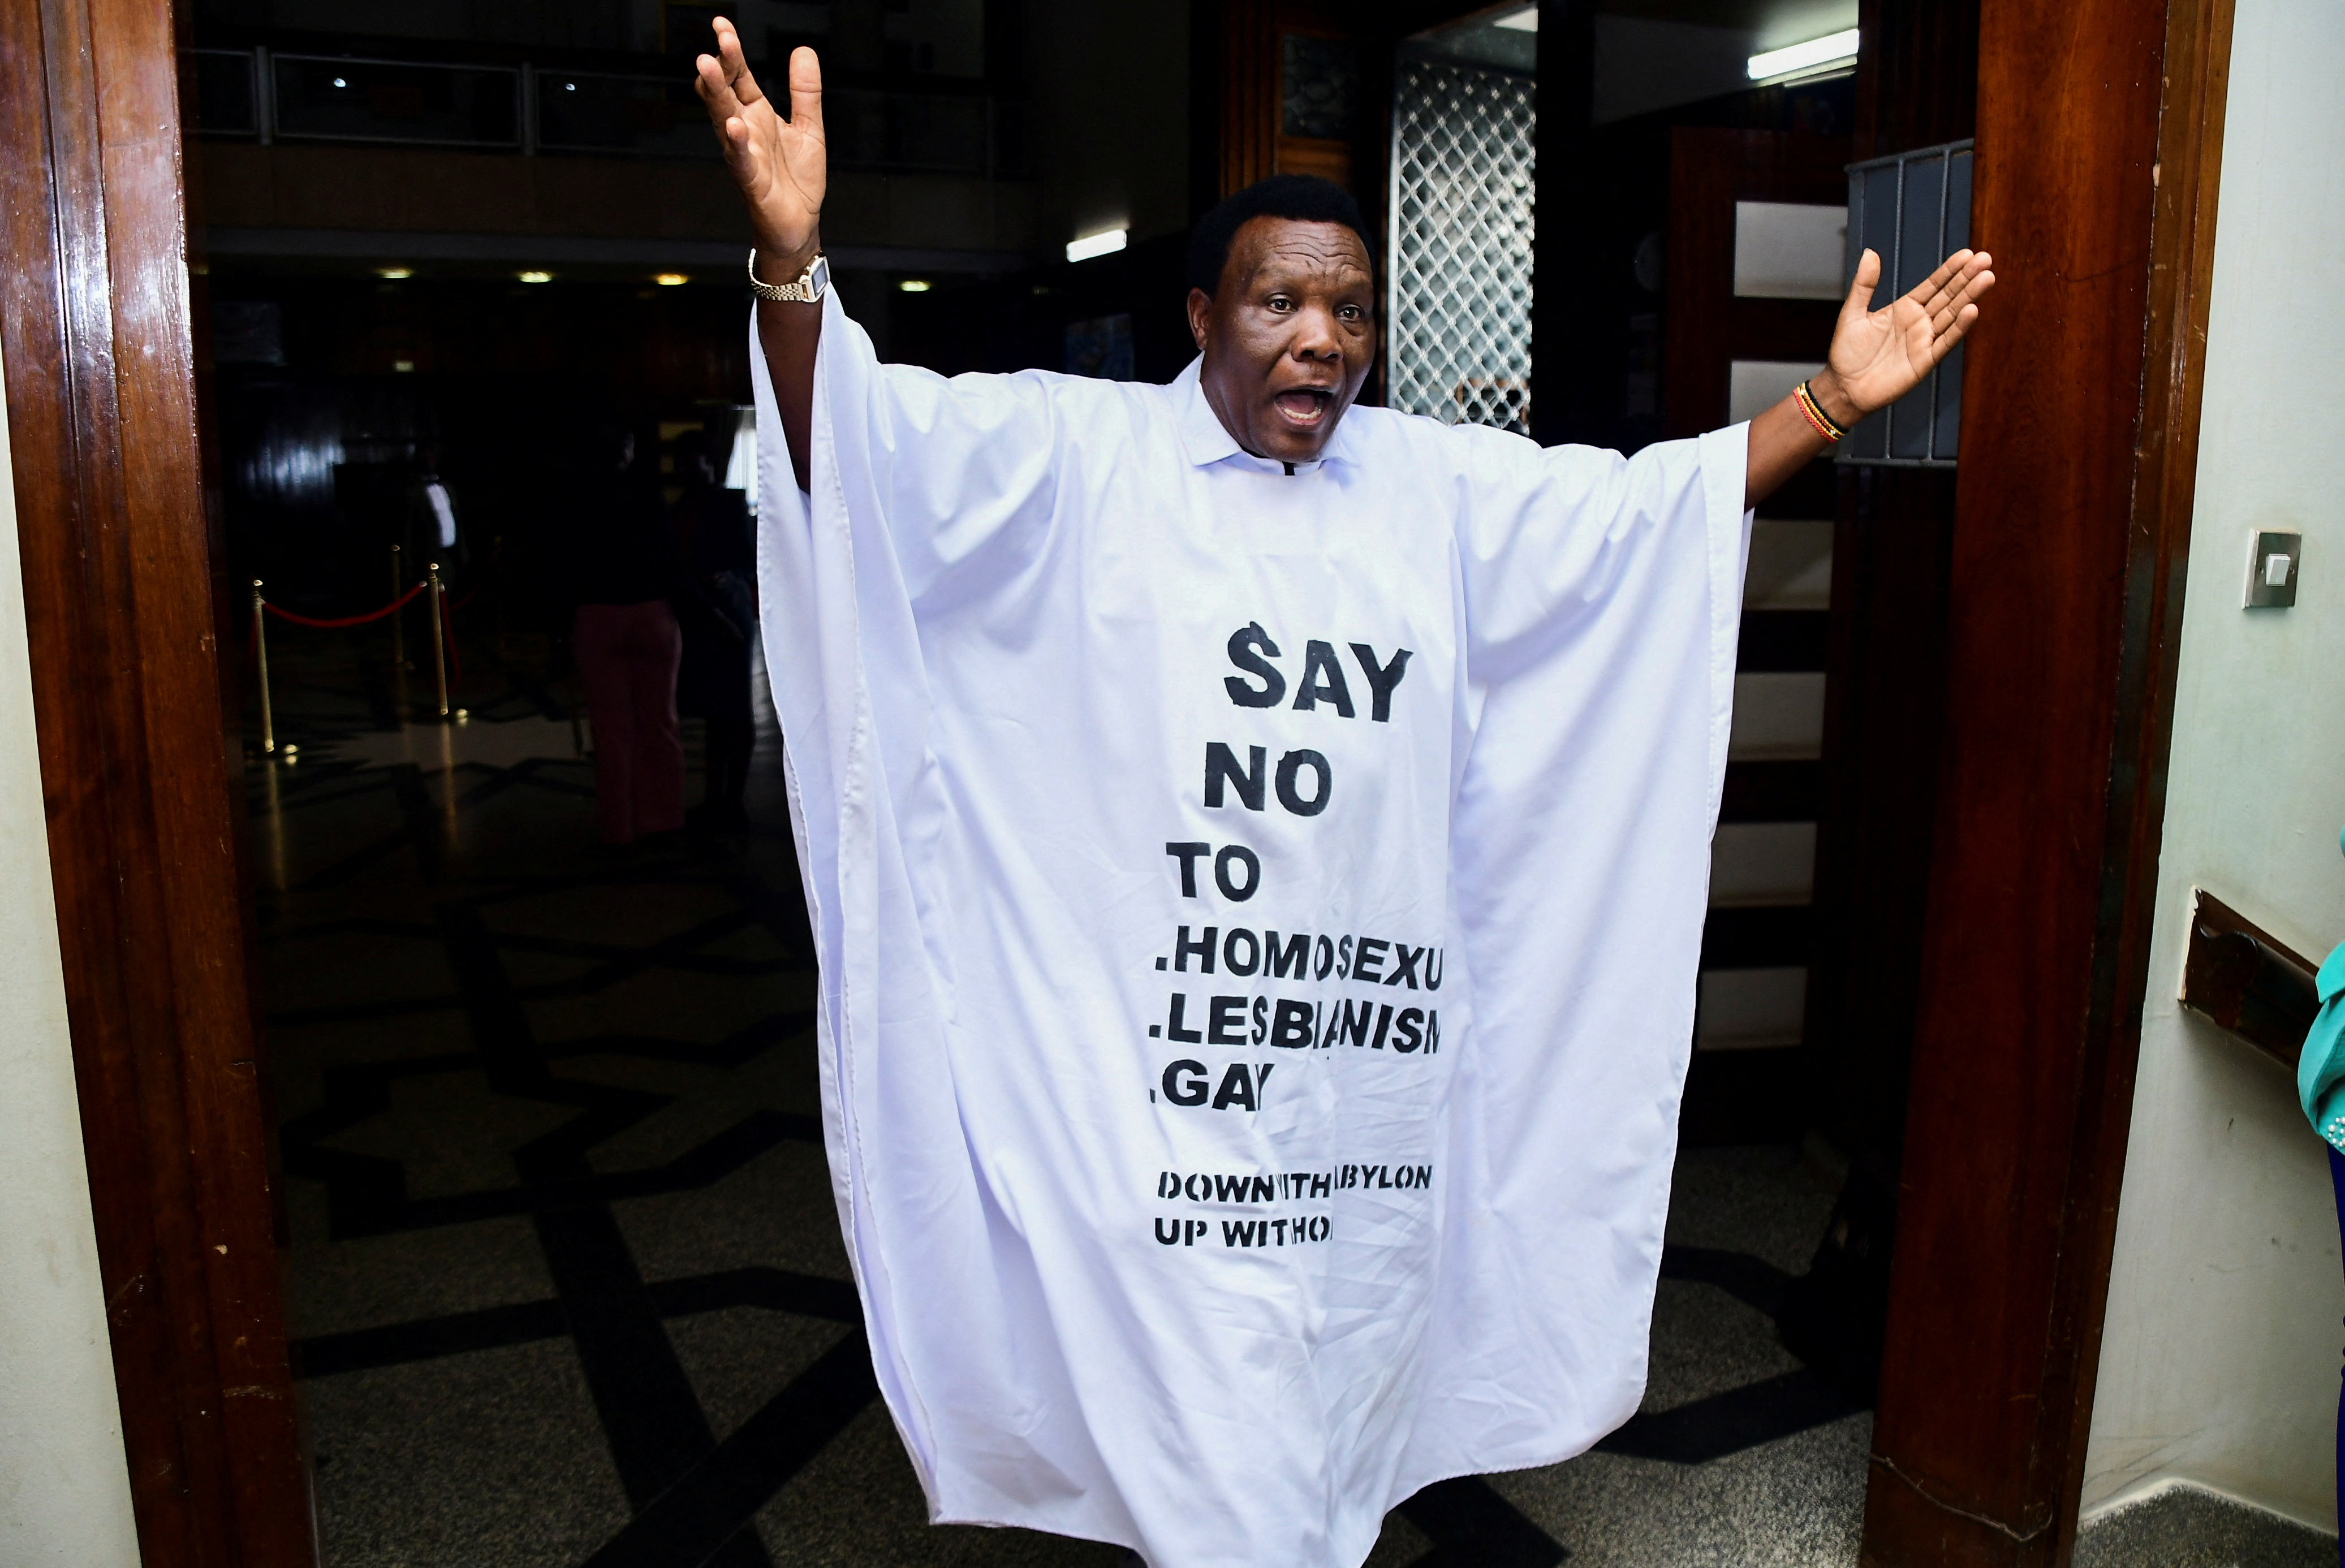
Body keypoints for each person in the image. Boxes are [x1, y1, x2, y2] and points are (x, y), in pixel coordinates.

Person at [697, 28, 1993, 1568]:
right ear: (1199, 316)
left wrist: (1829, 408)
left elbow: (1642, 515)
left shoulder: (1432, 484)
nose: (1324, 336)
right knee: (1219, 1451)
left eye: (1351, 308)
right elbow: (846, 442)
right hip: (1148, 1100)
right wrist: (793, 270)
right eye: (1280, 300)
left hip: (1361, 1107)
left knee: (1317, 1439)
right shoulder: (1076, 451)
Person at [563, 416, 686, 847]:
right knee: (660, 722)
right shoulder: (646, 495)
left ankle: (619, 826)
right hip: (651, 611)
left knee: (612, 730)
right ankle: (663, 820)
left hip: (596, 615)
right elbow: (670, 557)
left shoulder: (575, 500)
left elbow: (562, 567)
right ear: (627, 449)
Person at [668, 427, 759, 833]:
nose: (683, 468)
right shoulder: (681, 507)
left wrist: (725, 583)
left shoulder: (729, 502)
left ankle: (733, 799)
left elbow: (746, 561)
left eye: (690, 460)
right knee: (713, 711)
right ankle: (714, 796)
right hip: (699, 614)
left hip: (728, 609)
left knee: (735, 709)